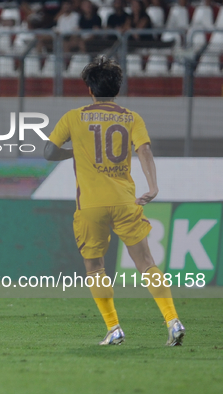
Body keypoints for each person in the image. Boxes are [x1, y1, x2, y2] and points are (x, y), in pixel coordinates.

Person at [43, 56, 185, 346]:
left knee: (95, 268)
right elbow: (144, 150)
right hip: (124, 201)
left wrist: (75, 152)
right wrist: (154, 186)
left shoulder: (73, 117)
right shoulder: (131, 117)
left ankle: (114, 328)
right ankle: (173, 320)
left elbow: (48, 152)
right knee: (146, 263)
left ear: (90, 90)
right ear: (117, 90)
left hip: (91, 206)